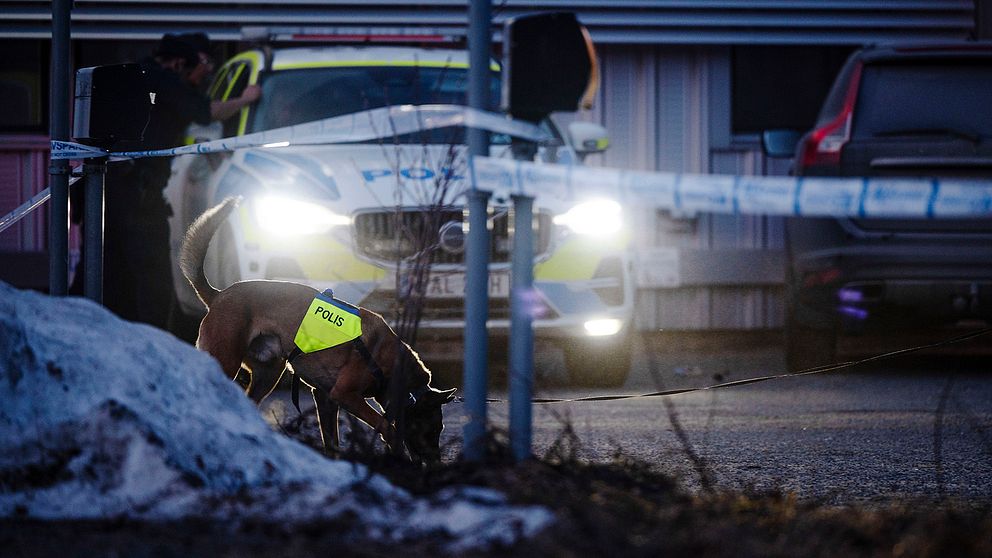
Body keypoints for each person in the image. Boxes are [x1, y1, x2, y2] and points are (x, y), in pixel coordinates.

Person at [71, 33, 260, 329]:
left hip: (99, 192)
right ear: (179, 63)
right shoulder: (167, 82)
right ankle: (154, 340)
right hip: (137, 196)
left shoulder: (132, 77)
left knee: (100, 271)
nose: (206, 72)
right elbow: (208, 112)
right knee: (152, 277)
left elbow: (161, 127)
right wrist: (247, 99)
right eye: (204, 64)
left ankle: (82, 331)